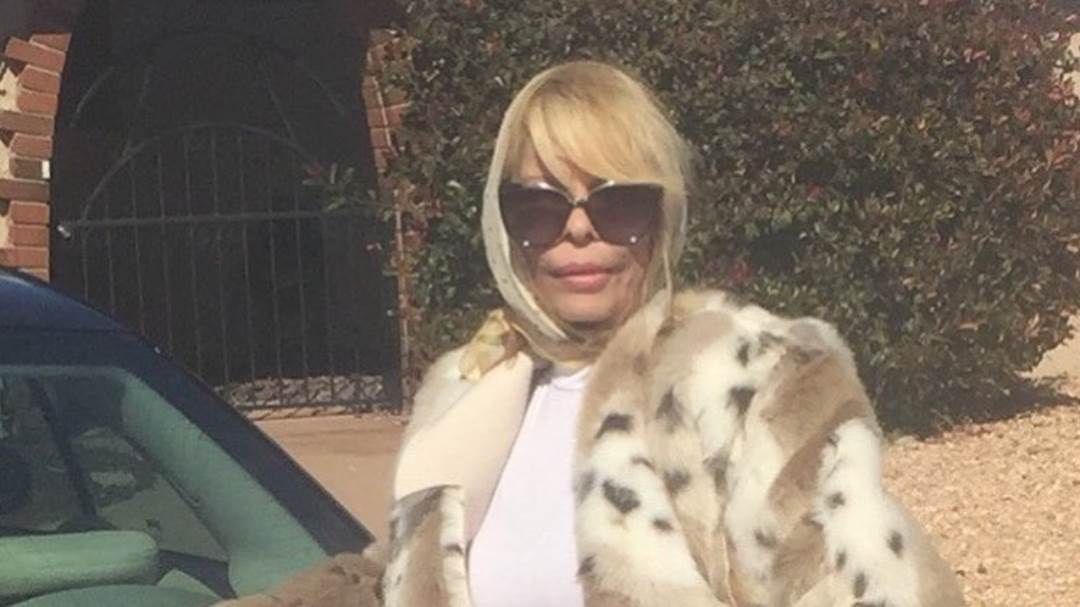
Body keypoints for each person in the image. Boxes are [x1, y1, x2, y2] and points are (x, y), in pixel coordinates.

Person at [225, 60, 963, 607]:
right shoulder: (472, 388)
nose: (578, 229)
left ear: (662, 216)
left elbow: (877, 584)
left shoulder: (749, 378)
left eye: (617, 203)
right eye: (540, 206)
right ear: (506, 227)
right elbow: (399, 577)